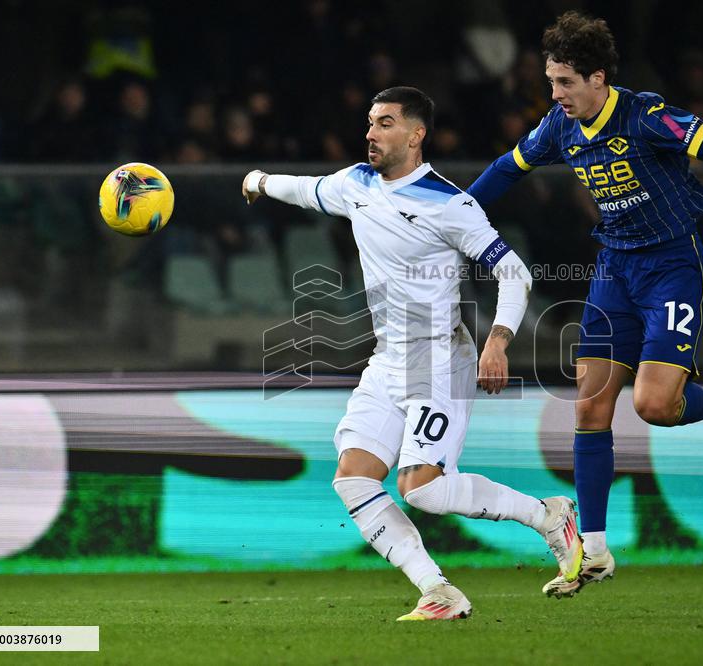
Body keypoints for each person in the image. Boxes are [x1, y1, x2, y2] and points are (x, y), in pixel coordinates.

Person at [466, 12, 703, 597]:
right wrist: (453, 219)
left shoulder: (646, 116)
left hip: (672, 268)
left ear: (597, 78)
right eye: (551, 81)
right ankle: (593, 552)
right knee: (590, 407)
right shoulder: (558, 127)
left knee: (654, 405)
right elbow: (504, 171)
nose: (555, 94)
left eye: (565, 82)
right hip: (614, 270)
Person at [241, 86, 582, 621]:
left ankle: (548, 515)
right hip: (388, 358)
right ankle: (437, 590)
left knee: (421, 490)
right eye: (370, 122)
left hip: (439, 357)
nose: (371, 133)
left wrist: (497, 340)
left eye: (385, 123)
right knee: (353, 477)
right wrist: (258, 181)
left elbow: (513, 272)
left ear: (416, 135)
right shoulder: (355, 183)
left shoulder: (450, 204)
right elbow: (305, 189)